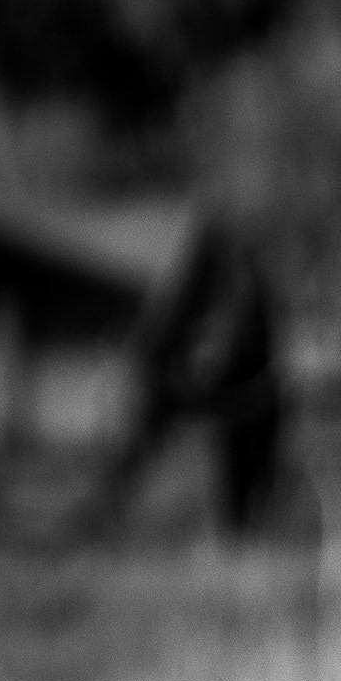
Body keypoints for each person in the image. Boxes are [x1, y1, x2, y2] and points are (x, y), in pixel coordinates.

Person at [84, 211, 292, 536]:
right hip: (200, 380)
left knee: (245, 451)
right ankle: (238, 525)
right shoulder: (206, 272)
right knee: (236, 452)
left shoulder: (224, 273)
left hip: (235, 383)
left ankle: (243, 525)